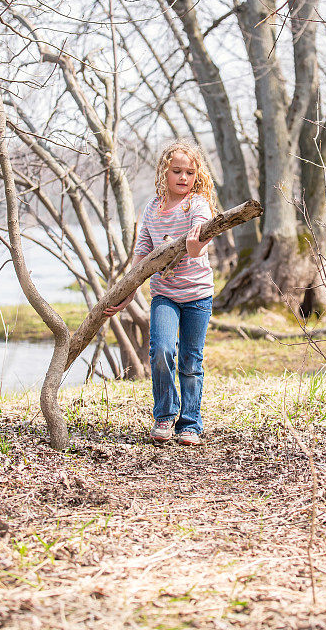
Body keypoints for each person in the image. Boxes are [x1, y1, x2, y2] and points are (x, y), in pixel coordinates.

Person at [104, 140, 216, 447]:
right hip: (164, 294)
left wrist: (196, 245)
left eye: (190, 172)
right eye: (176, 170)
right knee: (162, 351)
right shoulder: (152, 209)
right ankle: (165, 415)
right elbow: (142, 254)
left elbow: (199, 237)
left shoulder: (197, 205)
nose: (183, 177)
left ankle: (190, 423)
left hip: (197, 295)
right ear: (163, 172)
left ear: (197, 176)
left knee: (191, 361)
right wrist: (126, 294)